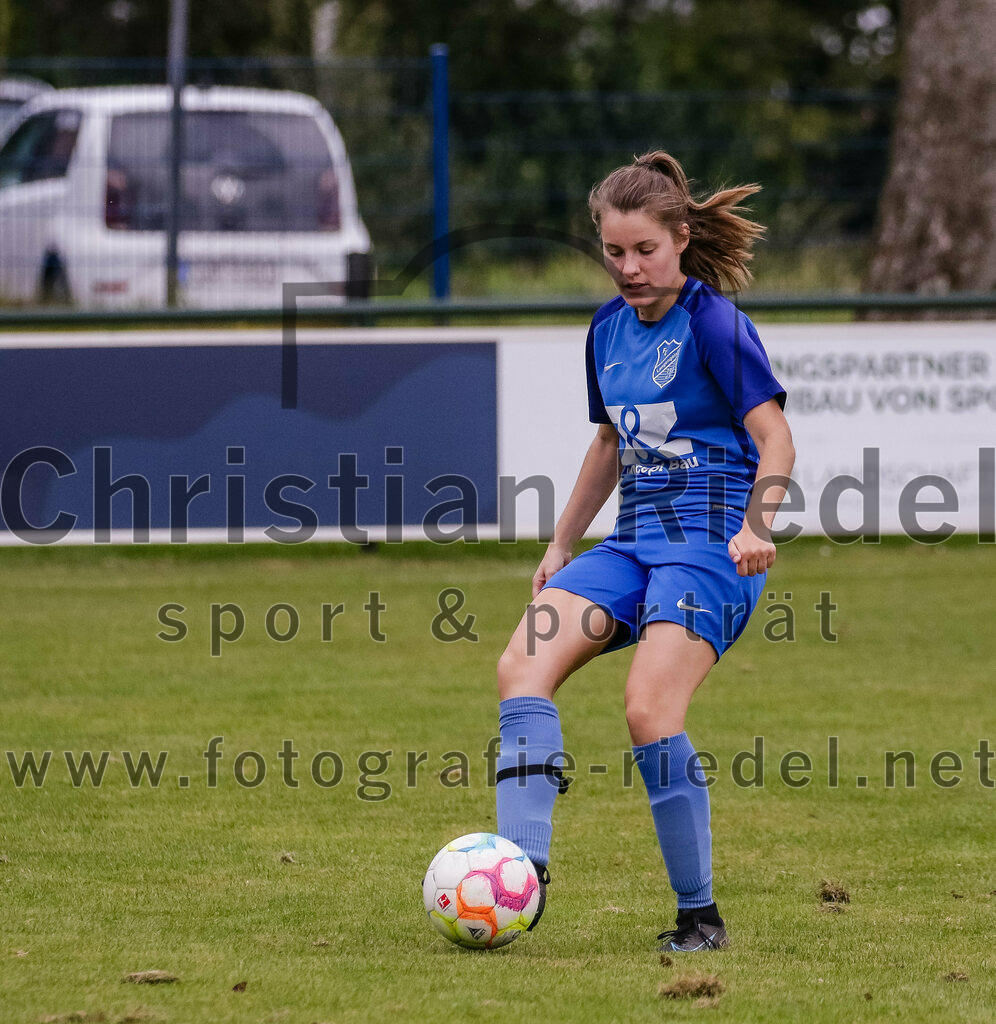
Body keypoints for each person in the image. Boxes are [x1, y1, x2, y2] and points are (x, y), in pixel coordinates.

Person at [493, 151, 795, 952]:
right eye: (614, 252)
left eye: (645, 251)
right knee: (521, 664)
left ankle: (700, 917)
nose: (628, 268)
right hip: (631, 545)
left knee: (648, 710)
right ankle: (520, 871)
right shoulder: (605, 329)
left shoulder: (715, 324)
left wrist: (758, 525)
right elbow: (606, 445)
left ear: (681, 239)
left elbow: (776, 439)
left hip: (709, 551)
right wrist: (562, 544)